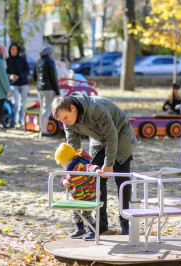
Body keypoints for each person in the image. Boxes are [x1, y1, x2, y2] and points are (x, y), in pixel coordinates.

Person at [52, 92, 138, 235]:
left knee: (121, 180)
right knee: (96, 177)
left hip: (120, 134)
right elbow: (74, 148)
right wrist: (72, 171)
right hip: (98, 138)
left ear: (73, 108)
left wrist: (109, 163)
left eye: (66, 118)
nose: (65, 122)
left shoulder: (95, 108)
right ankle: (101, 223)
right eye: (62, 121)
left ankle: (125, 222)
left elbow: (112, 136)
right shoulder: (68, 122)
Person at [54, 143, 103, 241]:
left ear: (68, 160)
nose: (62, 166)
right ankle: (81, 229)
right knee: (76, 213)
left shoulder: (80, 166)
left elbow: (90, 167)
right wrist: (64, 181)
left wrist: (97, 170)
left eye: (62, 163)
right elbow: (66, 178)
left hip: (90, 196)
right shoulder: (70, 169)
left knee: (86, 214)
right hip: (78, 198)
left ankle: (93, 231)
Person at [32, 44, 60, 138]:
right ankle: (43, 132)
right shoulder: (50, 62)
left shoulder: (37, 62)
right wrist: (58, 92)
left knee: (42, 109)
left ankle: (41, 129)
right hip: (49, 89)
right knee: (47, 110)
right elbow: (54, 78)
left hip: (39, 89)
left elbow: (34, 77)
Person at [6, 42, 29, 127]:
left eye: (15, 49)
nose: (14, 51)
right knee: (15, 102)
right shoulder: (7, 60)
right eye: (12, 49)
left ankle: (20, 120)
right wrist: (10, 76)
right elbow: (6, 72)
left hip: (23, 83)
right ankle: (13, 120)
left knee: (23, 103)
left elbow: (27, 70)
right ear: (10, 50)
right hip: (13, 84)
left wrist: (19, 76)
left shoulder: (22, 59)